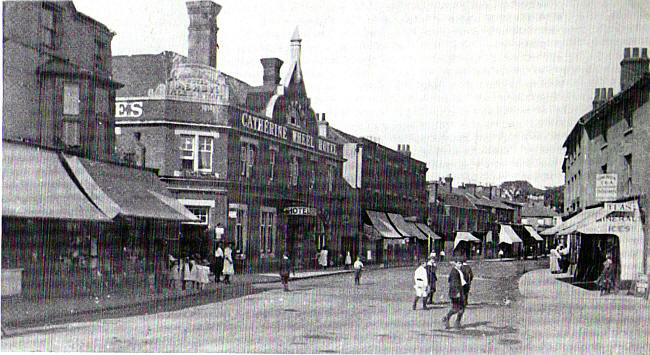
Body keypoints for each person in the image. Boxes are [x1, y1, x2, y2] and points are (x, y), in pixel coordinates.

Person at [442, 260, 467, 329]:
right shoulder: (454, 272)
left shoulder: (459, 271)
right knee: (456, 308)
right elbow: (453, 283)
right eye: (458, 263)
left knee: (461, 308)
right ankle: (447, 318)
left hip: (460, 291)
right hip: (456, 292)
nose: (460, 265)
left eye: (461, 263)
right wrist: (457, 292)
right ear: (455, 263)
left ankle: (456, 322)